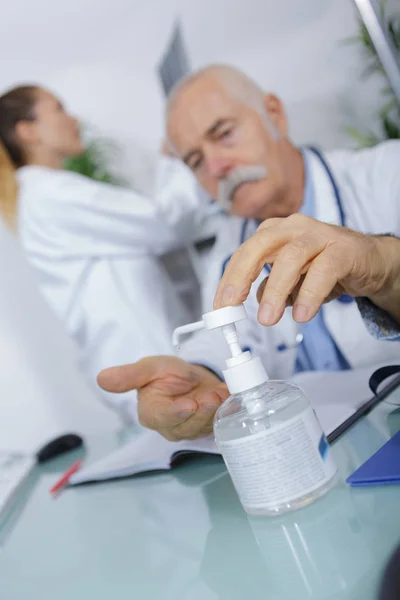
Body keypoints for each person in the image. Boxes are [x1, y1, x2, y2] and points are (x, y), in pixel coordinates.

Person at [98, 63, 400, 440]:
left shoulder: (388, 174)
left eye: (224, 134)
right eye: (195, 161)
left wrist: (384, 267)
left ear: (274, 114)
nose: (216, 166)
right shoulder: (228, 251)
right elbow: (223, 338)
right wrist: (197, 377)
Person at [0, 84, 211, 422]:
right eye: (59, 108)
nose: (73, 119)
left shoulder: (46, 193)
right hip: (144, 369)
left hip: (140, 367)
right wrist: (179, 160)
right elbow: (163, 222)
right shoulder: (51, 195)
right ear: (28, 131)